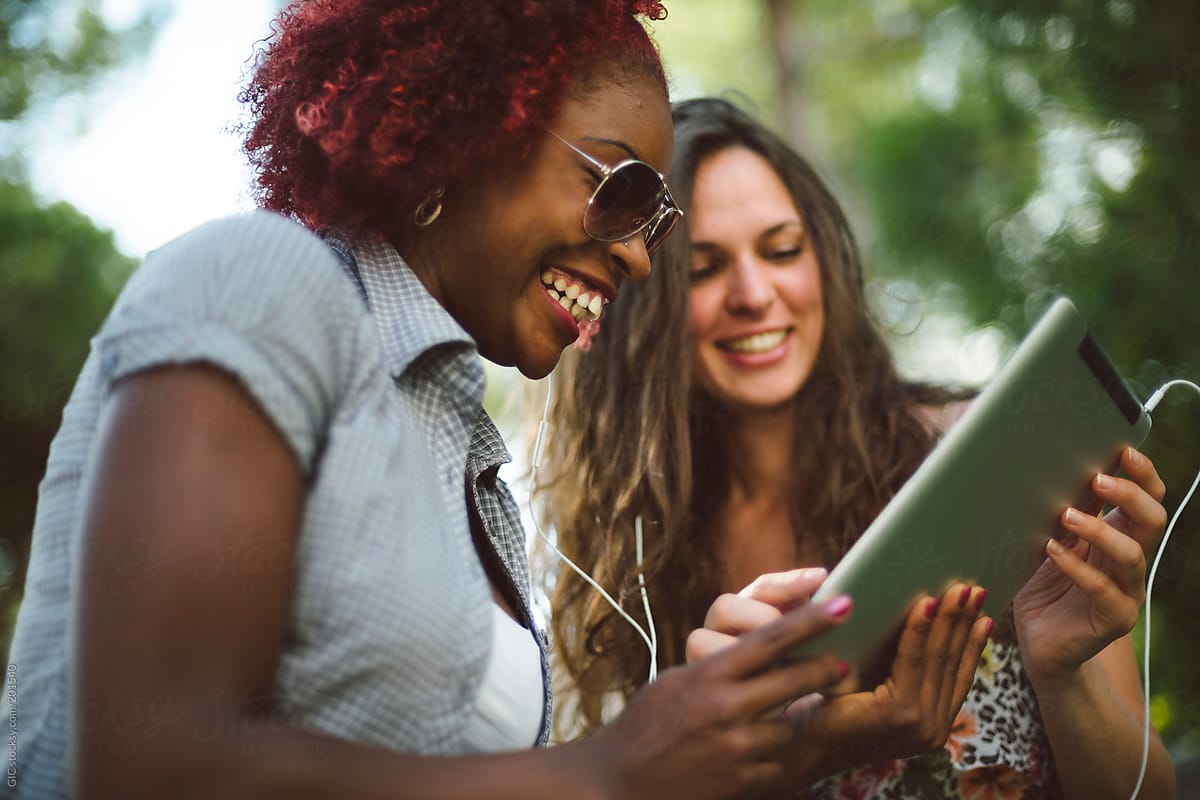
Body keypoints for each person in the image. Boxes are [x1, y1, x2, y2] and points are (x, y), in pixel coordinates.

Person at [0, 8, 920, 799]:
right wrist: (607, 772)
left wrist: (777, 743)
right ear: (473, 129)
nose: (642, 258)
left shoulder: (465, 454)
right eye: (621, 189)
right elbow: (148, 766)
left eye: (654, 222)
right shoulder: (262, 278)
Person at [540, 96, 1175, 798]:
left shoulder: (981, 449)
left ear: (823, 260)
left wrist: (1064, 672)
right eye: (704, 268)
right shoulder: (640, 555)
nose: (754, 293)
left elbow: (1148, 789)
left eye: (781, 250)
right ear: (642, 297)